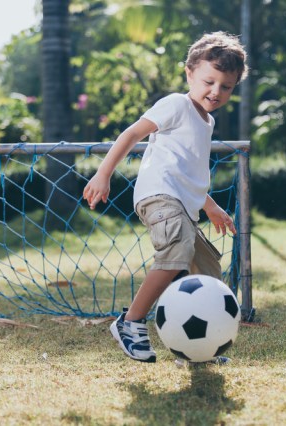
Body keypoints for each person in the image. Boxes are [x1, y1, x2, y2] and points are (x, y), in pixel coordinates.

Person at [82, 32, 248, 363]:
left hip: (183, 205)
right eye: (209, 81)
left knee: (206, 270)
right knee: (177, 249)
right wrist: (103, 174)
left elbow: (190, 175)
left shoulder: (208, 121)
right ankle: (130, 323)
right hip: (158, 196)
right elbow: (131, 134)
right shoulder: (176, 104)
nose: (215, 91)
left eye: (226, 86)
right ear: (189, 73)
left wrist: (211, 207)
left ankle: (197, 347)